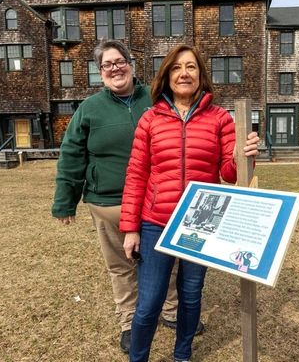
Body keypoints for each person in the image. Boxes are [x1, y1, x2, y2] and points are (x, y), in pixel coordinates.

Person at [120, 44, 260, 362]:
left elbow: (229, 173)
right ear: (167, 76)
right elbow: (136, 175)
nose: (184, 73)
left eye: (191, 67)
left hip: (201, 222)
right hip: (156, 222)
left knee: (191, 294)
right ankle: (138, 357)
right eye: (176, 67)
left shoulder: (220, 119)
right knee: (150, 302)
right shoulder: (150, 119)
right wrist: (130, 227)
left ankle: (182, 354)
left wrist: (245, 153)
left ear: (201, 75)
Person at [51, 40, 187, 354]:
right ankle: (128, 321)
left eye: (120, 61)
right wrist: (64, 200)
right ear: (101, 73)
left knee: (167, 259)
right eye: (107, 64)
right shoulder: (89, 108)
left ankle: (170, 310)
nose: (115, 68)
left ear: (131, 64)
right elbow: (72, 154)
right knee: (121, 266)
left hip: (154, 201)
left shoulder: (156, 101)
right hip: (108, 203)